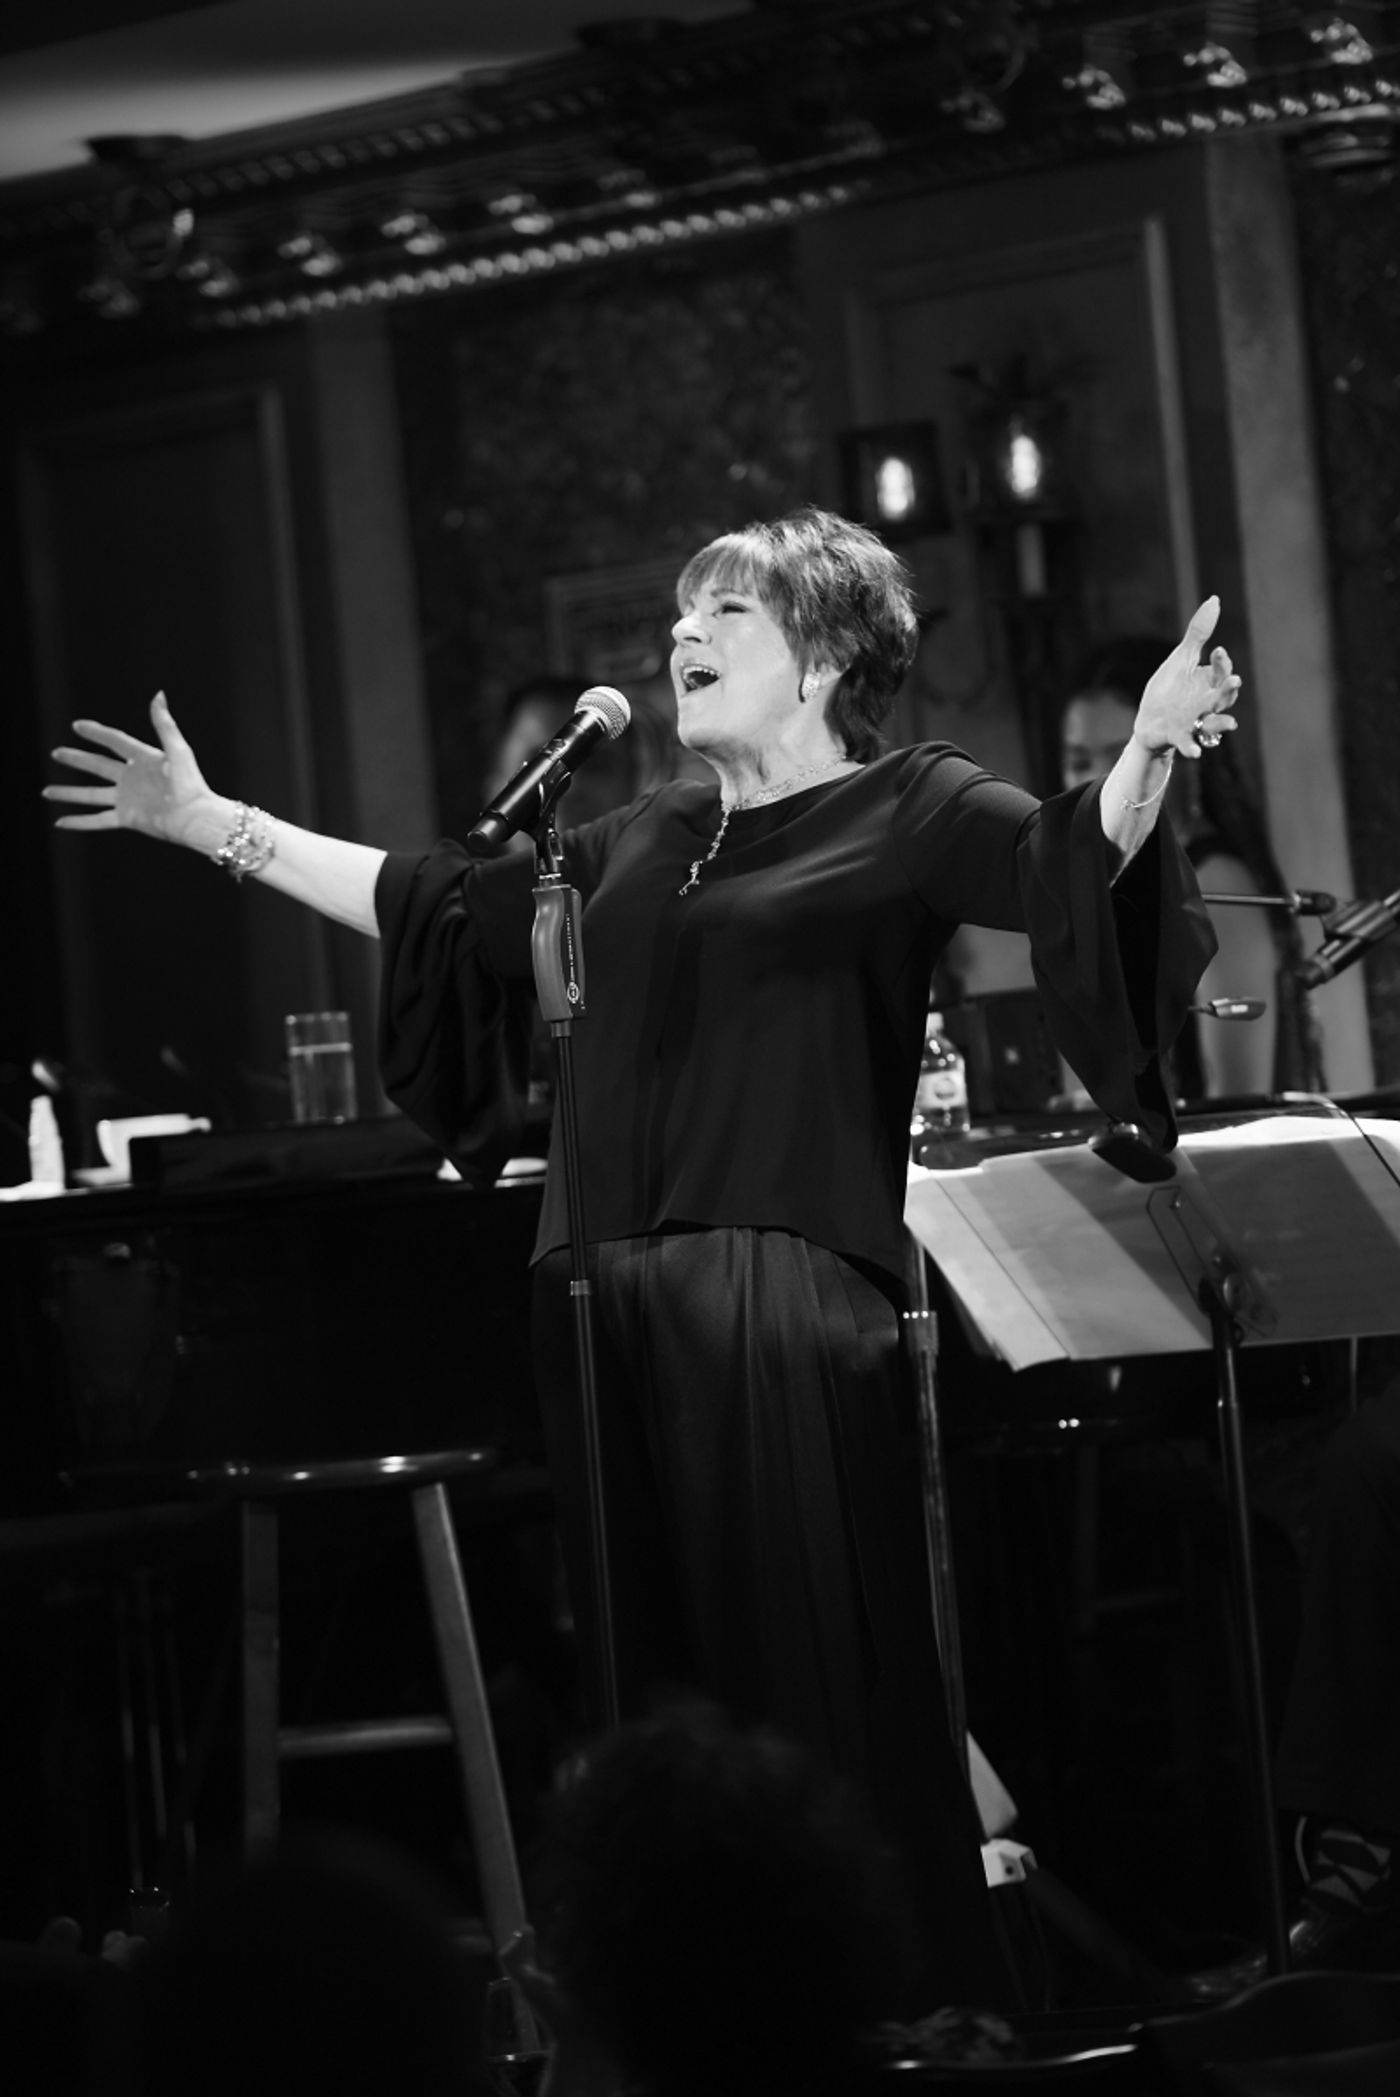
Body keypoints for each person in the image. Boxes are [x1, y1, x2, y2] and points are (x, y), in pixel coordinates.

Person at [45, 504, 1235, 2009]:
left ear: (822, 660)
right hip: (603, 1298)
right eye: (680, 614)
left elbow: (1078, 856)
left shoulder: (909, 805)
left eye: (726, 614)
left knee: (803, 1680)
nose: (684, 637)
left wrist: (1146, 754)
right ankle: (695, 2011)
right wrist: (209, 822)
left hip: (782, 1300)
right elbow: (421, 899)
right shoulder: (632, 839)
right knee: (658, 1707)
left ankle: (873, 2003)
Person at [1060, 636, 1321, 1100]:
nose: (1098, 779)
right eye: (1079, 760)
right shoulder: (1109, 875)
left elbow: (1237, 1101)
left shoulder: (1215, 880)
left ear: (1182, 748)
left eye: (1124, 753)